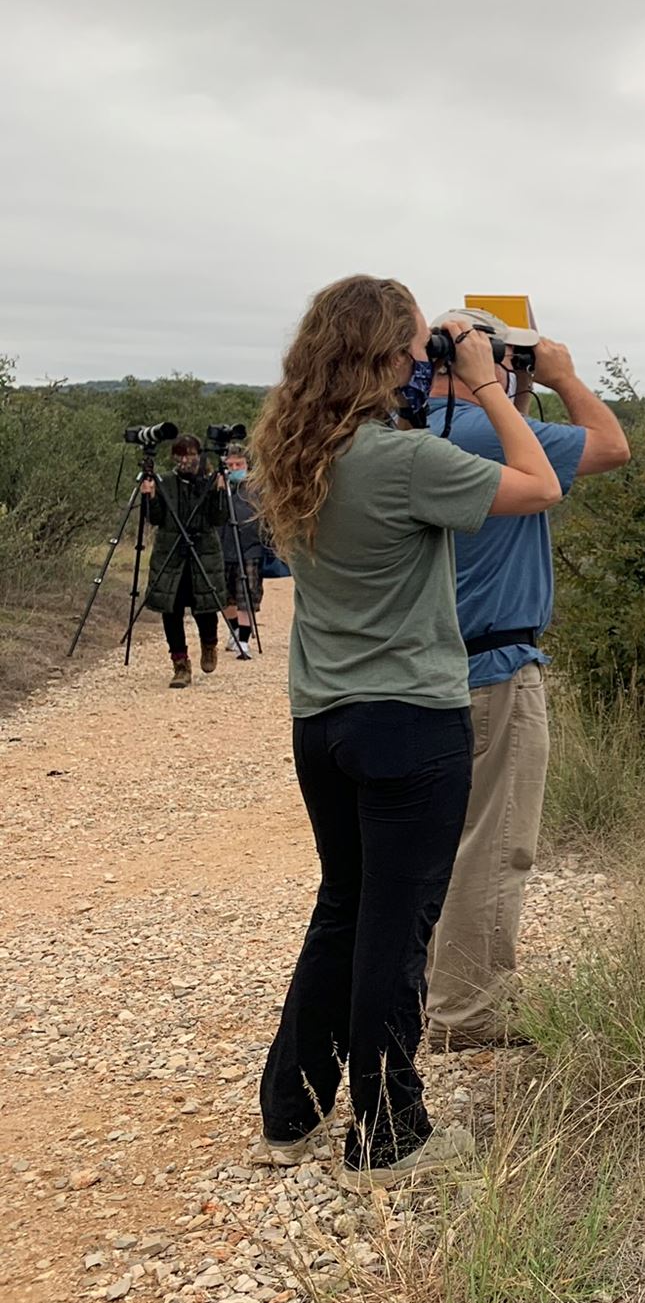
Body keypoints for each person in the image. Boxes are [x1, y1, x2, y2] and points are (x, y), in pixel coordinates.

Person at [249, 274, 561, 1190]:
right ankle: (389, 1132)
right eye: (417, 348)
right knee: (398, 921)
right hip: (410, 720)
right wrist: (490, 381)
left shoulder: (297, 447)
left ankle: (292, 1109)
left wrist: (441, 373)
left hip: (324, 717)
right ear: (388, 357)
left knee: (343, 903)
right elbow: (540, 483)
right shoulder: (404, 461)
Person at [421, 309, 631, 1049]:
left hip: (438, 664)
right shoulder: (485, 432)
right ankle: (467, 1011)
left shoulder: (423, 433)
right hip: (498, 668)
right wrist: (562, 376)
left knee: (441, 840)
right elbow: (612, 446)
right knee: (496, 840)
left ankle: (432, 987)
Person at [141, 433, 228, 688]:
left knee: (206, 606)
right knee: (172, 610)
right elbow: (155, 519)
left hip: (204, 551)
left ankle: (209, 644)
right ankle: (180, 665)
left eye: (190, 454)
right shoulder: (165, 482)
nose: (186, 460)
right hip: (172, 552)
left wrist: (219, 492)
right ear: (173, 457)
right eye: (180, 454)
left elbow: (219, 518)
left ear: (199, 455)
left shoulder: (209, 481)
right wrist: (150, 497)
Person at [220, 442, 266, 660]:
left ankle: (244, 640)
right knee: (225, 597)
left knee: (246, 595)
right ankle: (235, 629)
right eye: (231, 464)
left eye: (239, 464)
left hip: (250, 547)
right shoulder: (218, 487)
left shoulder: (257, 488)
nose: (235, 468)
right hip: (223, 547)